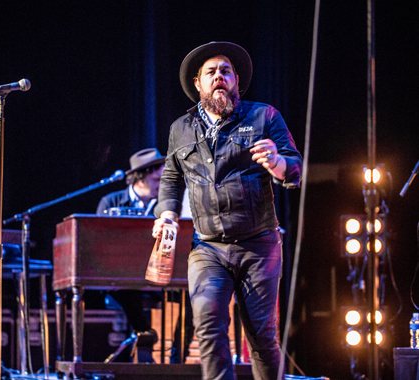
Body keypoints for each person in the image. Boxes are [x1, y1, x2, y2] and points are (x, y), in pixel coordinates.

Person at [152, 42, 302, 380]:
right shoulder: (180, 129)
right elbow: (172, 178)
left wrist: (278, 164)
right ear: (198, 84)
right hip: (208, 248)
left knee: (262, 337)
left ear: (236, 80)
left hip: (259, 245)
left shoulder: (264, 116)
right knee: (208, 327)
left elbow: (295, 167)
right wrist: (166, 213)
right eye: (211, 72)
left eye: (226, 71)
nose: (219, 77)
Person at [97, 147, 195, 363]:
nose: (163, 184)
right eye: (158, 178)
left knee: (194, 294)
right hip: (123, 278)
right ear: (141, 176)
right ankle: (144, 333)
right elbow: (101, 245)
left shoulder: (168, 206)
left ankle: (177, 359)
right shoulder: (110, 202)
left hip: (160, 275)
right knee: (123, 284)